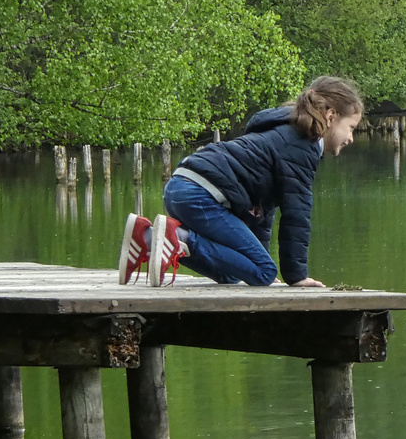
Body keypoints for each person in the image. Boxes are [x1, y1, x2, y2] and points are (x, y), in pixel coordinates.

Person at [118, 76, 363, 288]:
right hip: (200, 194)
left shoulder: (282, 132)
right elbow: (297, 215)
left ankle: (148, 236)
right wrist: (296, 276)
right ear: (331, 116)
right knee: (264, 272)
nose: (351, 138)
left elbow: (263, 213)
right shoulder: (301, 146)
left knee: (233, 273)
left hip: (181, 187)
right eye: (350, 127)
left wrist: (259, 259)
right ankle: (179, 236)